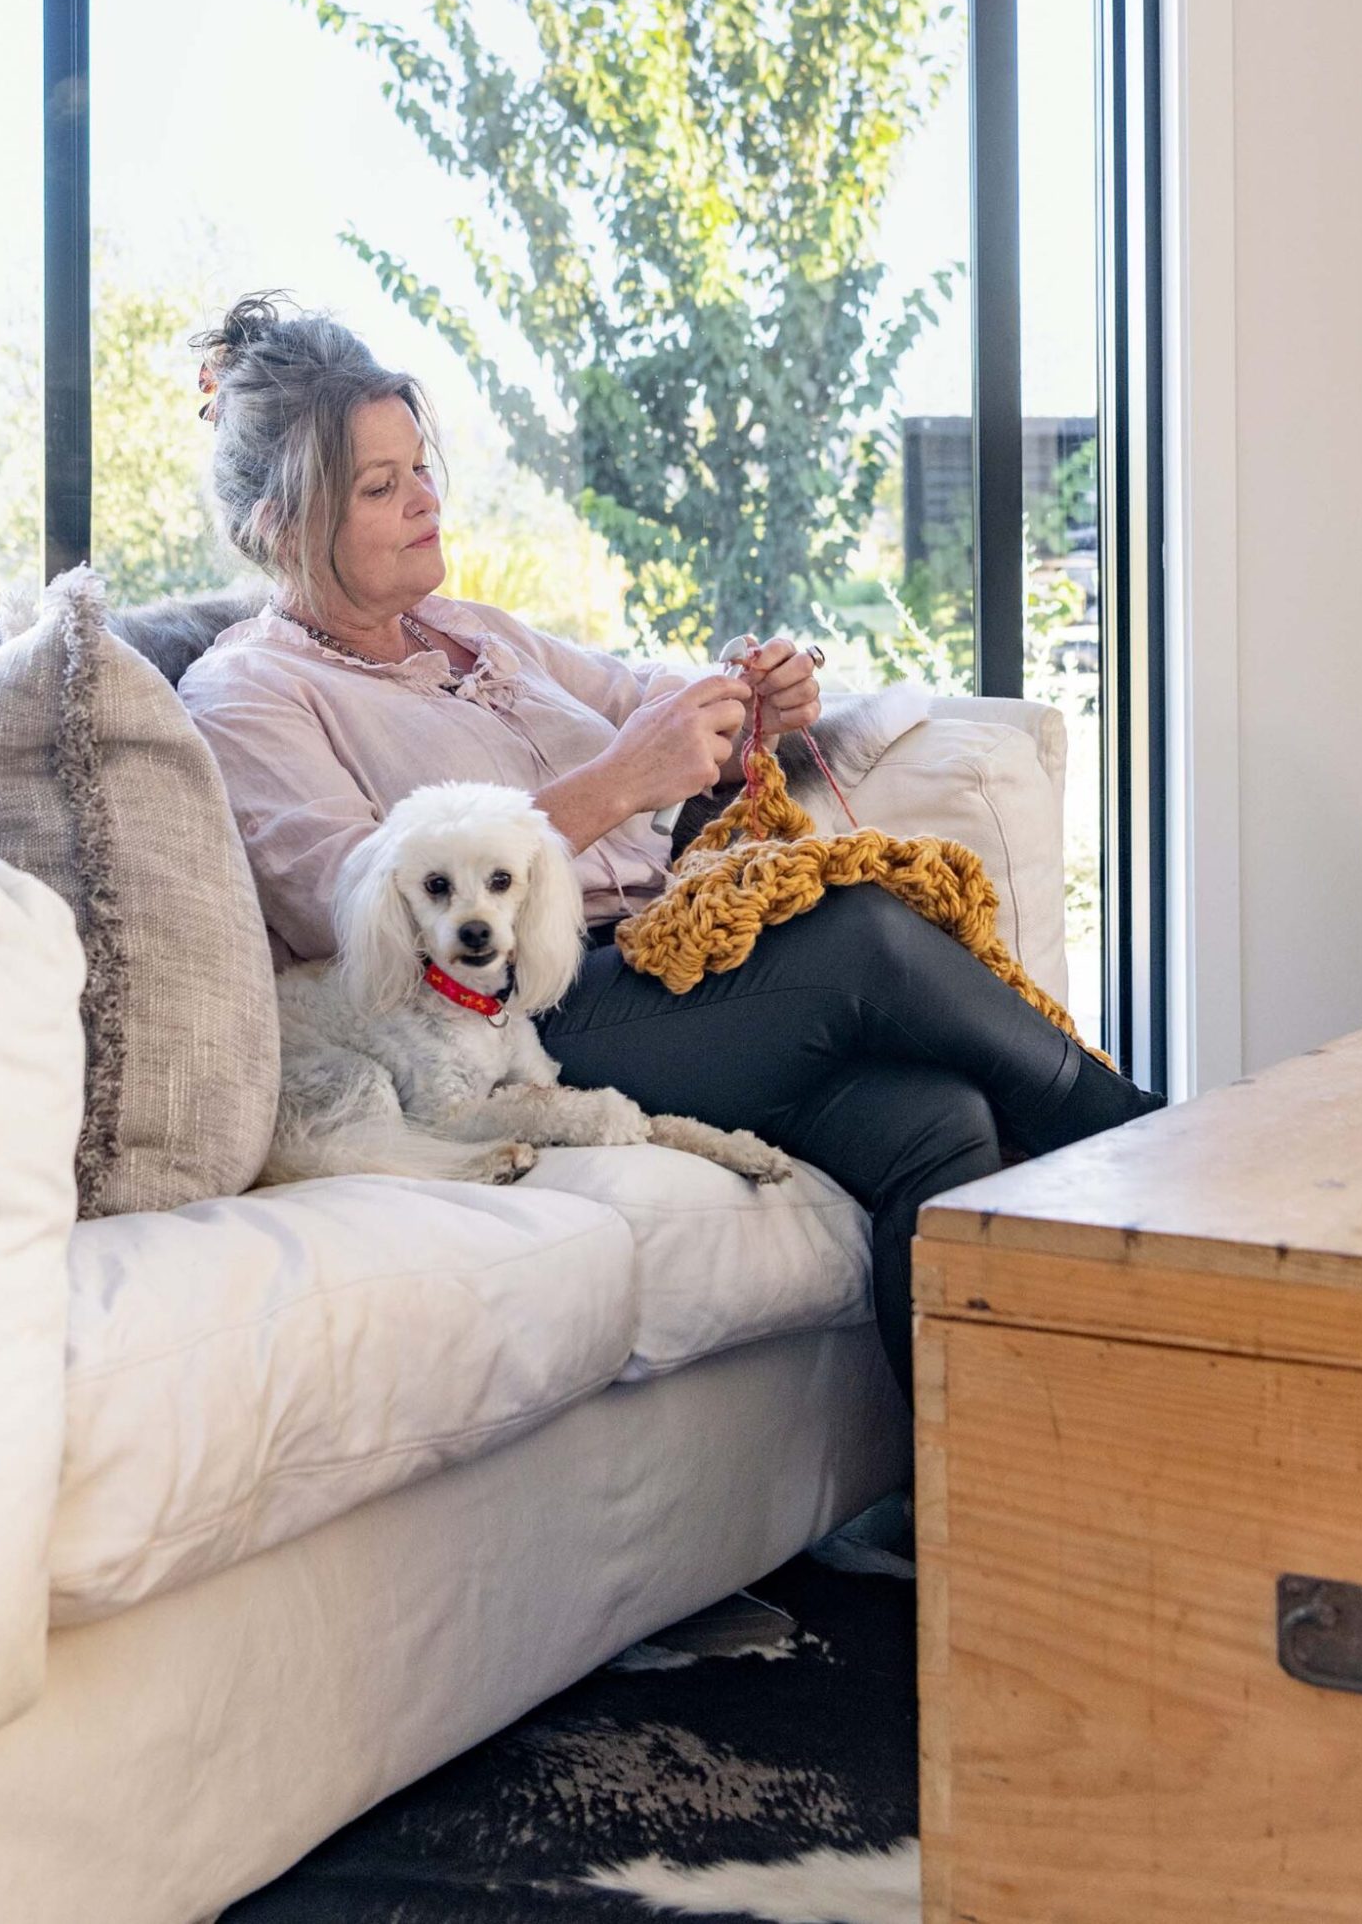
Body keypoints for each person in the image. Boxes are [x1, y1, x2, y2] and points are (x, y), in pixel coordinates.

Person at [178, 296, 1159, 1395]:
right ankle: (1148, 1145)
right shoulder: (248, 689)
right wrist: (614, 784)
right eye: (378, 486)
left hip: (661, 966)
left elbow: (645, 694)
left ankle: (964, 1526)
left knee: (940, 1124)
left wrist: (746, 697)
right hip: (514, 1018)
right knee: (865, 935)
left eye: (418, 466)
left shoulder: (476, 634)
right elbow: (340, 905)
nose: (424, 499)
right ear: (278, 528)